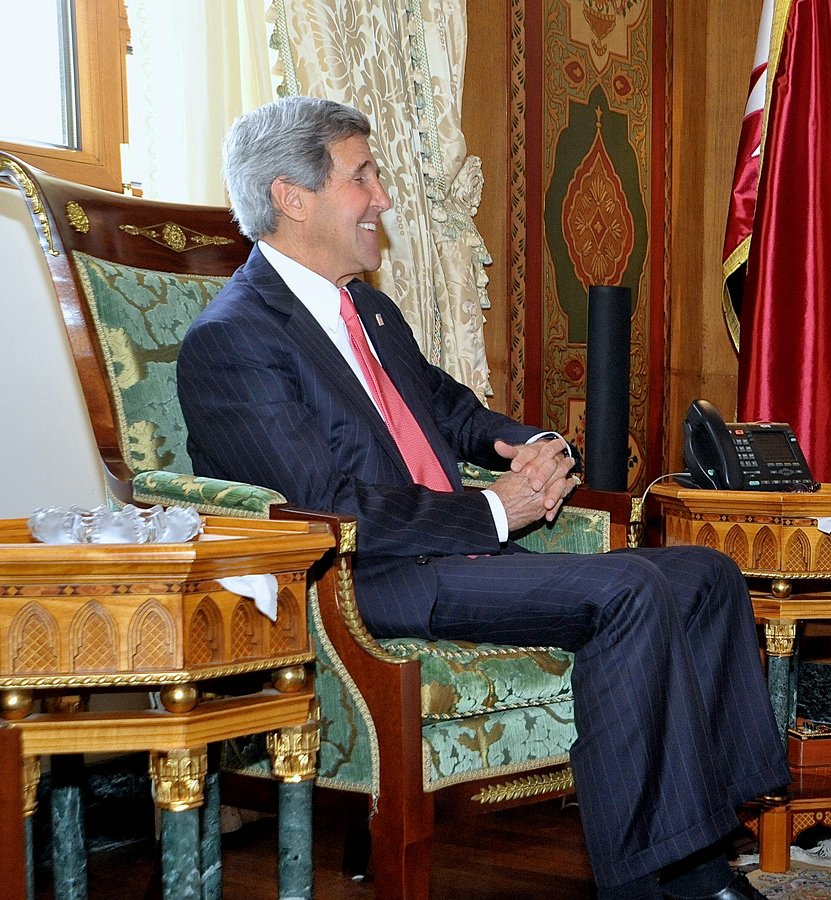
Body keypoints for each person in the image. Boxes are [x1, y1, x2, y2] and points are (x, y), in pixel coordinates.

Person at [177, 96, 787, 900]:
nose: (383, 197)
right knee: (634, 588)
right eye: (363, 176)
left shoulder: (366, 308)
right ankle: (658, 879)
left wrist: (524, 444)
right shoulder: (235, 339)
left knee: (704, 574)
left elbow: (448, 408)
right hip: (369, 582)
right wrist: (496, 511)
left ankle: (697, 849)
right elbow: (324, 509)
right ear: (292, 196)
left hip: (451, 555)